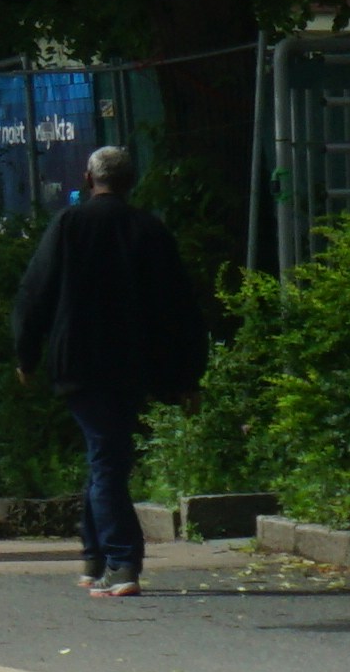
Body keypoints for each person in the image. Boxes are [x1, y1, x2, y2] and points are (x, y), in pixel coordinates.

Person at [11, 142, 210, 596]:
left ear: (87, 178)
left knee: (105, 459)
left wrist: (27, 354)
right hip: (132, 363)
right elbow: (178, 307)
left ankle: (106, 556)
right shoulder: (149, 230)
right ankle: (114, 558)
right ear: (130, 182)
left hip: (78, 361)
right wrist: (187, 375)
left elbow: (33, 293)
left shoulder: (68, 225)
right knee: (108, 458)